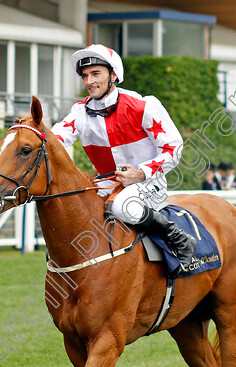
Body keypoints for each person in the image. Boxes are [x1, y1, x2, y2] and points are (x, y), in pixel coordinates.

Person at [51, 44, 193, 273]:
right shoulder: (79, 112)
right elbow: (54, 140)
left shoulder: (144, 106)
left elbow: (173, 148)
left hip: (148, 183)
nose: (89, 81)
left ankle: (178, 238)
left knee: (122, 207)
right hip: (107, 184)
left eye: (96, 74)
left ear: (114, 75)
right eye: (85, 76)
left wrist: (140, 173)